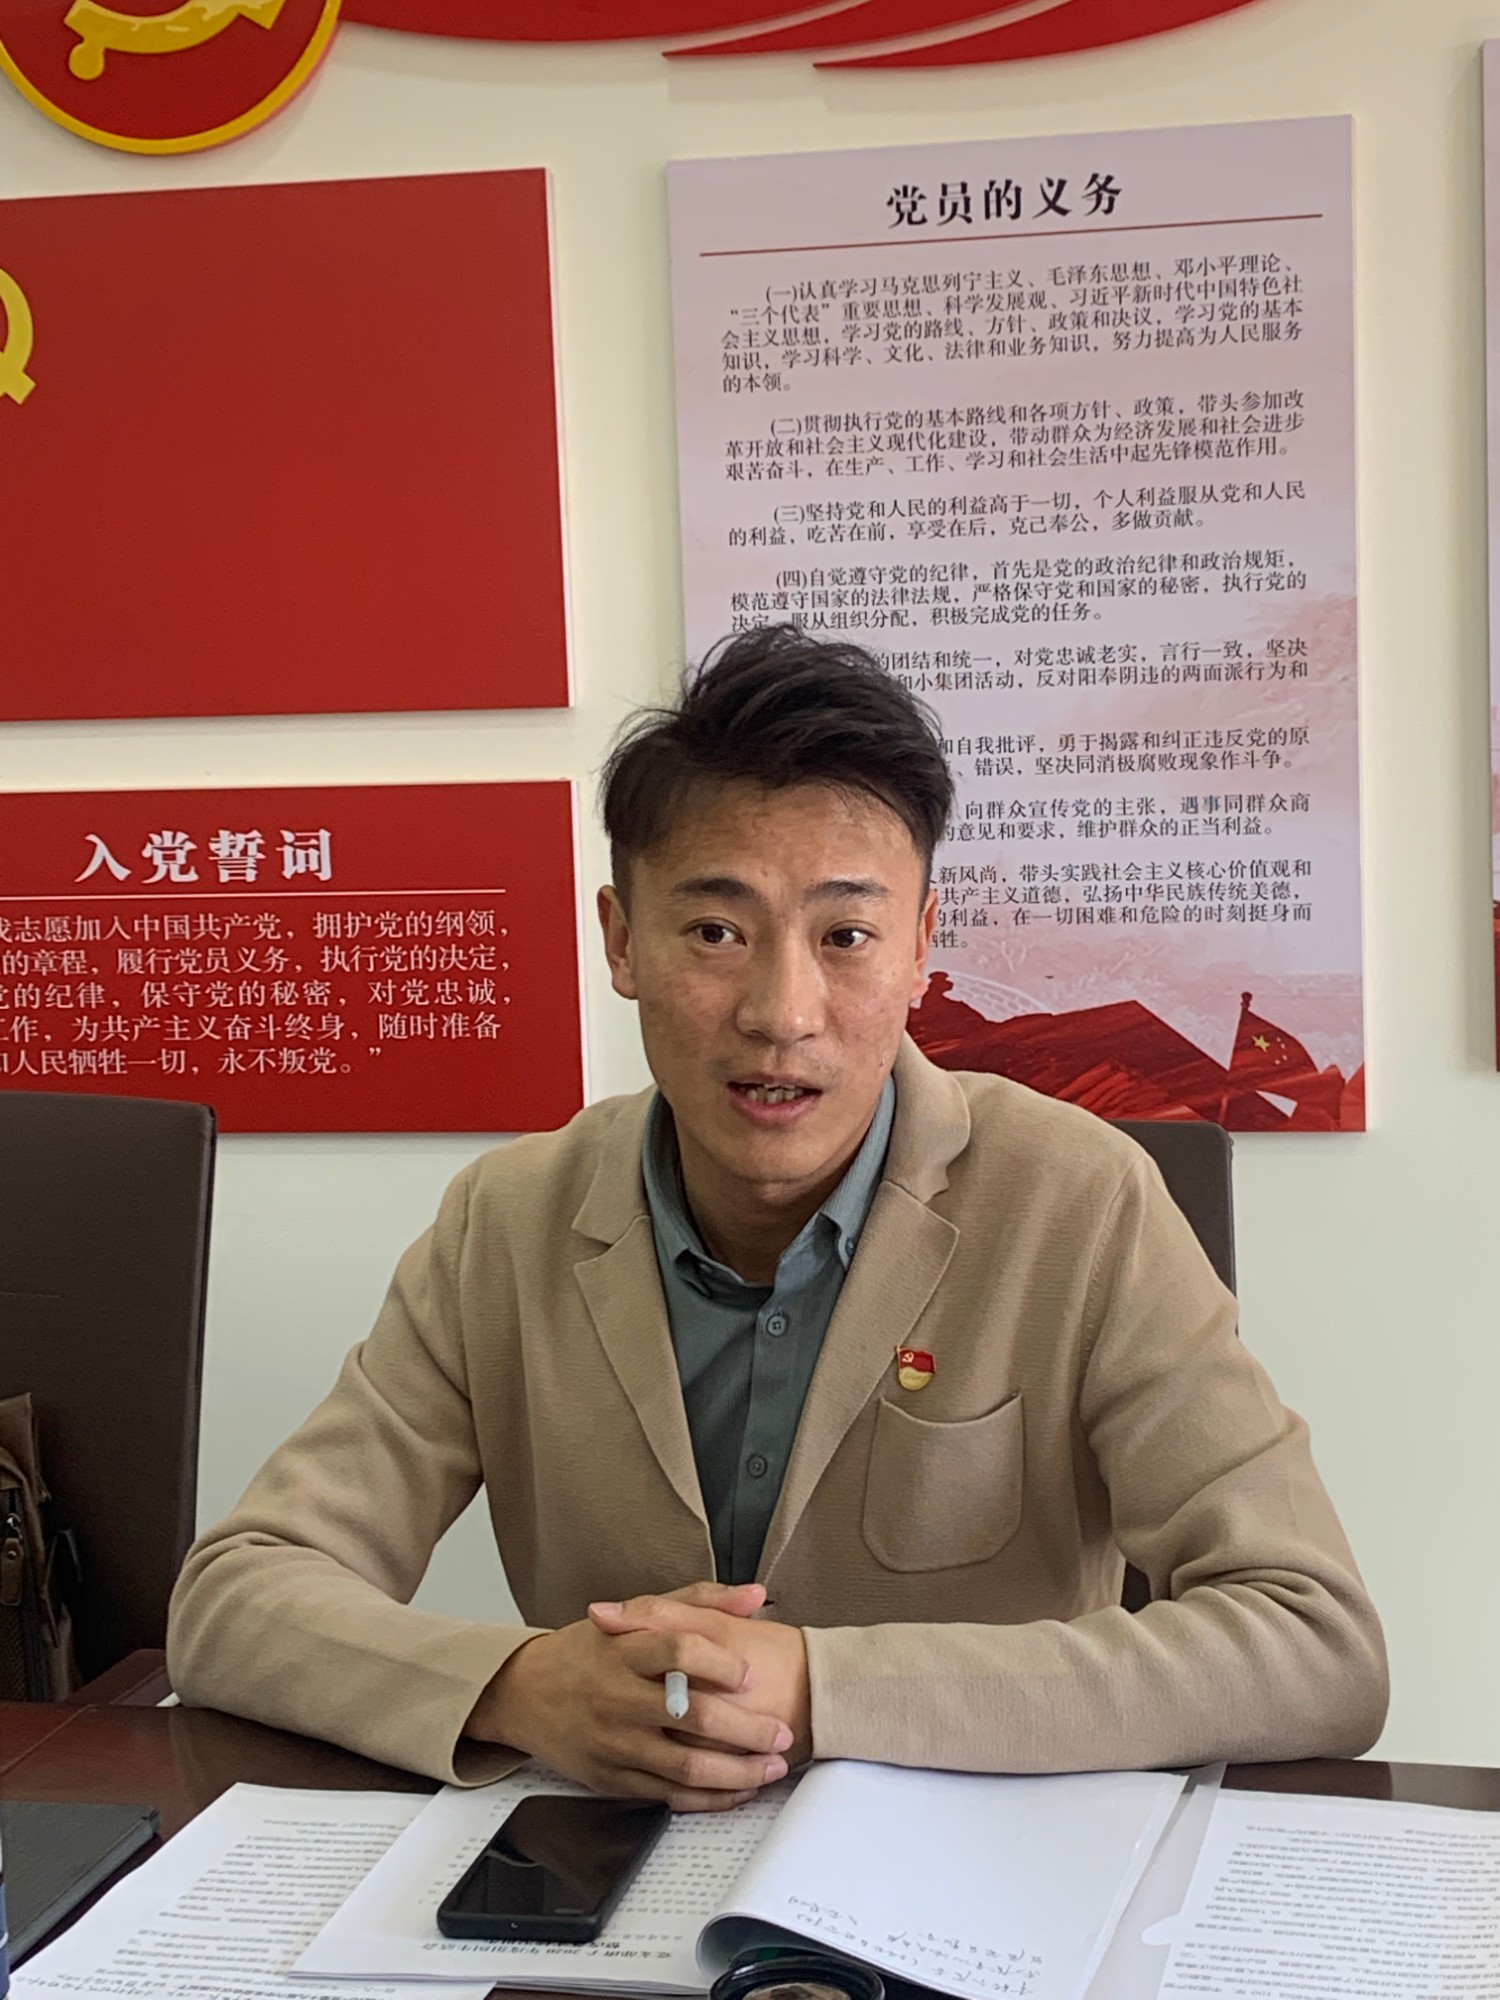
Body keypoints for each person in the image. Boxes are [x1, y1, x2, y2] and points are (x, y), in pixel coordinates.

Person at [167, 626, 1387, 1810]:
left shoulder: (1080, 1199)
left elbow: (1314, 1641)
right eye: (716, 930)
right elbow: (234, 1597)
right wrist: (521, 1684)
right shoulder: (508, 1221)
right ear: (620, 938)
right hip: (610, 1867)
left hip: (976, 1874)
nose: (782, 1010)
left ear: (921, 945)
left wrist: (818, 1687)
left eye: (846, 935)